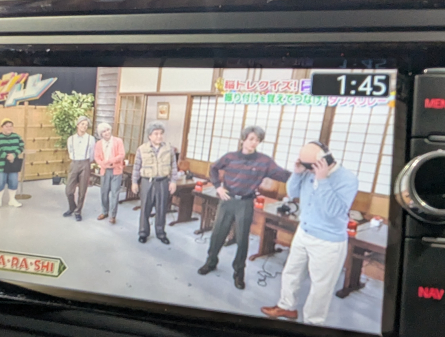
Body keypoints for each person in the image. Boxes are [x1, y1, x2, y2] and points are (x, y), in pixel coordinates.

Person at [261, 142, 358, 325]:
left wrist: (322, 180)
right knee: (291, 272)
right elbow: (292, 193)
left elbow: (334, 211)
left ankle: (313, 323)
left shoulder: (347, 179)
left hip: (328, 241)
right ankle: (287, 306)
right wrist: (297, 173)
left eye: (309, 166)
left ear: (323, 160)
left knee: (321, 286)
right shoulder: (307, 172)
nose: (308, 170)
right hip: (303, 231)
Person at [197, 126, 291, 290]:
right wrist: (218, 187)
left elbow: (283, 175)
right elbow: (213, 168)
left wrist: (301, 172)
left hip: (246, 203)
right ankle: (210, 262)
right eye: (251, 139)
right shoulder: (230, 157)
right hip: (227, 200)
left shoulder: (264, 161)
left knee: (242, 240)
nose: (254, 142)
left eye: (257, 140)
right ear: (243, 140)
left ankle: (239, 272)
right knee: (218, 233)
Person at [131, 121, 177, 244]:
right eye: (156, 133)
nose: (159, 136)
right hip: (147, 181)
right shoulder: (142, 149)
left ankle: (161, 233)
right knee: (145, 208)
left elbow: (174, 166)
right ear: (150, 136)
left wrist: (173, 181)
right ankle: (143, 232)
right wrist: (134, 182)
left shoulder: (169, 149)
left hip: (163, 182)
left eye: (161, 133)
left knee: (161, 209)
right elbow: (136, 167)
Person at [64, 115, 95, 221]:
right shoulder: (71, 139)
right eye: (82, 124)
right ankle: (72, 207)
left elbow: (92, 153)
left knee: (82, 190)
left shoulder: (91, 139)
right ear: (77, 125)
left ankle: (78, 211)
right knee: (69, 190)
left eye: (86, 125)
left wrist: (87, 163)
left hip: (85, 163)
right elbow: (70, 151)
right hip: (74, 162)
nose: (84, 126)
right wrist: (75, 160)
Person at [93, 122, 125, 224]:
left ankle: (113, 215)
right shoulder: (98, 144)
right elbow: (96, 157)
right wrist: (103, 164)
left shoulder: (118, 141)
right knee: (104, 192)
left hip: (116, 170)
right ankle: (104, 211)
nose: (106, 133)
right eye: (104, 131)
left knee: (115, 193)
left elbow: (121, 154)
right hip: (105, 170)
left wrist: (111, 161)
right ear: (101, 134)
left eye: (107, 130)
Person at [0, 118, 25, 210]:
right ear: (2, 127)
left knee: (13, 182)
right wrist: (6, 156)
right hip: (0, 165)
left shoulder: (17, 137)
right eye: (7, 126)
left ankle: (12, 200)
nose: (9, 128)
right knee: (0, 183)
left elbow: (21, 146)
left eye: (11, 126)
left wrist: (14, 155)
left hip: (13, 164)